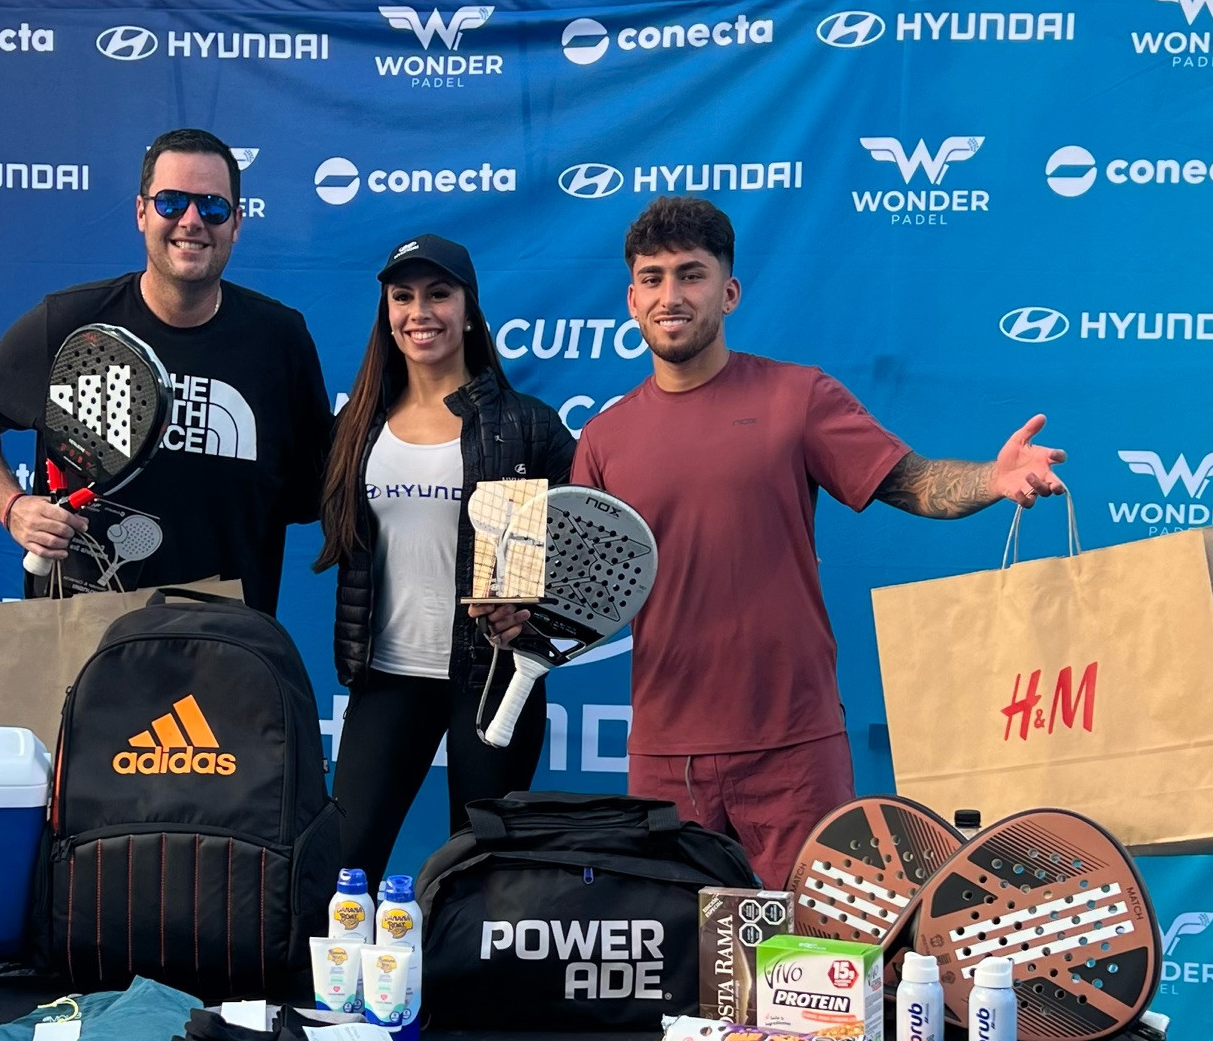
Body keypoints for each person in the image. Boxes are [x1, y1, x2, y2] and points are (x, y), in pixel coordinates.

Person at [494, 195, 1066, 889]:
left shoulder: (798, 397)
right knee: (680, 948)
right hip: (666, 752)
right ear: (632, 299)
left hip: (794, 743)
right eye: (652, 278)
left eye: (691, 275)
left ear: (729, 292)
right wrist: (515, 619)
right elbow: (581, 598)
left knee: (813, 945)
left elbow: (911, 481)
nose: (671, 296)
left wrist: (992, 479)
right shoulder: (606, 438)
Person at [0, 127, 330, 610]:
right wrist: (12, 506)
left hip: (222, 632)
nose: (191, 221)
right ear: (142, 212)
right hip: (84, 626)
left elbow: (311, 492)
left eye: (213, 207)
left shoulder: (280, 340)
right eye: (171, 202)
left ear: (236, 223)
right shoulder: (70, 322)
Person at [316, 234, 576, 887]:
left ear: (469, 310)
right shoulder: (358, 426)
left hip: (493, 681)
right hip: (386, 677)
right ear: (387, 313)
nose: (419, 312)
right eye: (402, 297)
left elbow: (579, 560)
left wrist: (535, 615)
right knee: (342, 871)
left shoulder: (528, 427)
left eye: (438, 294)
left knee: (483, 883)